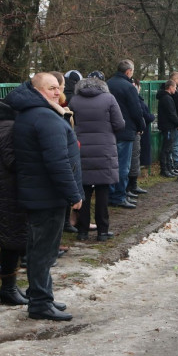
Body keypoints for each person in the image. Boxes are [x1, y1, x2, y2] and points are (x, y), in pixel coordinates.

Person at [8, 73, 83, 321]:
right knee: (43, 252)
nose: (56, 92)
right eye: (51, 88)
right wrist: (73, 194)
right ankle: (40, 302)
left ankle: (41, 294)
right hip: (46, 194)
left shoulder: (35, 113)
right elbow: (57, 162)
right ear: (37, 90)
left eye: (57, 88)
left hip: (41, 192)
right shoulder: (42, 117)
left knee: (40, 248)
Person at [69, 73, 125, 240]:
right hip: (104, 149)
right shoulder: (109, 99)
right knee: (102, 190)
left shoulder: (74, 100)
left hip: (81, 149)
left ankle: (83, 230)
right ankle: (102, 231)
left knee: (83, 190)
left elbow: (70, 124)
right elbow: (119, 124)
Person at [0, 91, 29, 307]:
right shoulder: (6, 127)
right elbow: (12, 161)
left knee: (13, 239)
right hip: (7, 191)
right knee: (11, 240)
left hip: (6, 189)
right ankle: (8, 288)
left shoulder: (2, 124)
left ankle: (11, 286)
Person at [107, 60, 144, 207]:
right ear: (128, 71)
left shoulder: (107, 84)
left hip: (110, 130)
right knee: (123, 166)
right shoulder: (129, 87)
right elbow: (136, 110)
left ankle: (110, 194)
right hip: (126, 130)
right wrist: (141, 125)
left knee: (111, 165)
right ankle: (119, 196)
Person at [156, 78, 178, 179]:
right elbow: (171, 114)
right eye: (175, 87)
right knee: (166, 149)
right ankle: (164, 169)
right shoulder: (166, 98)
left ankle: (169, 168)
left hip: (168, 126)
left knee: (169, 148)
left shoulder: (166, 97)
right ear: (170, 87)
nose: (175, 90)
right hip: (167, 126)